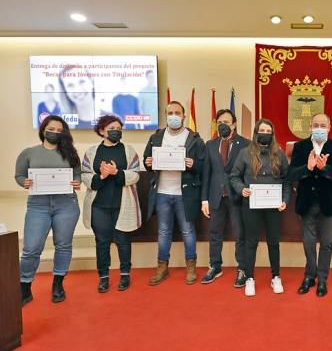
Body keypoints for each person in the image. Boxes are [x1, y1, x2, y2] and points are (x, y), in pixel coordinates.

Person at [15, 115, 81, 306]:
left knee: (63, 245)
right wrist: (23, 182)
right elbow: (19, 175)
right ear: (43, 130)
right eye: (51, 129)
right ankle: (25, 287)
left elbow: (77, 175)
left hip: (66, 204)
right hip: (38, 205)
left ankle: (58, 284)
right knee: (30, 248)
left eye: (59, 131)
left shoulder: (70, 153)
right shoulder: (28, 153)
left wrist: (76, 182)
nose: (55, 133)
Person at [143, 101, 205, 286]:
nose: (174, 116)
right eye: (170, 112)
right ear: (165, 116)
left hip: (184, 193)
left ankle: (191, 266)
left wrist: (193, 165)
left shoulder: (194, 138)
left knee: (188, 230)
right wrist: (148, 162)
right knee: (163, 231)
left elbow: (203, 166)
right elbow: (147, 162)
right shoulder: (156, 137)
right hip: (162, 191)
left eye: (177, 112)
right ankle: (162, 267)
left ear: (184, 116)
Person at [230, 119, 291, 296]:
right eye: (262, 130)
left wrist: (285, 199)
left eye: (268, 131)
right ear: (256, 132)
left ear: (272, 134)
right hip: (251, 205)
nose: (265, 133)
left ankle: (276, 277)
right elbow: (234, 177)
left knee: (273, 242)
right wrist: (242, 190)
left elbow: (287, 180)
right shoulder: (244, 153)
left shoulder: (279, 154)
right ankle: (250, 278)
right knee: (251, 242)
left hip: (274, 206)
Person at [81, 115, 141, 293]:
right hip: (99, 205)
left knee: (123, 241)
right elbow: (84, 175)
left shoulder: (129, 150)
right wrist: (101, 176)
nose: (116, 131)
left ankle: (124, 274)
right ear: (101, 131)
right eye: (112, 128)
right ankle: (104, 277)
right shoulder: (91, 152)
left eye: (119, 128)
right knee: (101, 242)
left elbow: (135, 174)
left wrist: (117, 172)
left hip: (123, 204)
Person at [288, 113, 332, 297]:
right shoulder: (300, 147)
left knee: (326, 244)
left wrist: (325, 168)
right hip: (307, 202)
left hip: (328, 203)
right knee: (308, 242)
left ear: (329, 127)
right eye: (316, 125)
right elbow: (291, 175)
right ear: (310, 126)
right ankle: (309, 276)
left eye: (323, 125)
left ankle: (322, 279)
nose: (319, 128)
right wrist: (309, 167)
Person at [201, 109, 250, 287]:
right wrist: (204, 200)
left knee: (240, 234)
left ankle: (242, 268)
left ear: (234, 124)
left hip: (237, 196)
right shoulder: (210, 144)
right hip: (215, 197)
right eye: (220, 122)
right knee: (214, 234)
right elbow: (206, 173)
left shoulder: (245, 144)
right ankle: (215, 266)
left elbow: (248, 172)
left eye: (226, 122)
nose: (223, 125)